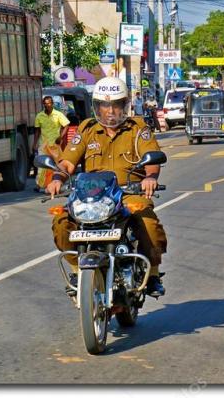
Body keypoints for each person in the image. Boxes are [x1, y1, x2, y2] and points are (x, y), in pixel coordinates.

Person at [46, 77, 168, 297]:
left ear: (124, 105)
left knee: (148, 223)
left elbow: (151, 161)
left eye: (116, 105)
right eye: (105, 105)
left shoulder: (138, 129)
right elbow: (67, 162)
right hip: (91, 196)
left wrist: (149, 178)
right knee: (62, 221)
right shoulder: (87, 129)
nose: (110, 111)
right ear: (97, 107)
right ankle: (77, 270)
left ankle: (153, 274)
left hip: (128, 193)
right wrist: (57, 179)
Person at [33, 96, 70, 191]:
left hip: (55, 145)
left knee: (57, 165)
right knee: (42, 166)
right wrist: (34, 143)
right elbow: (37, 131)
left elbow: (66, 125)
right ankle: (39, 185)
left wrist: (60, 137)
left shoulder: (58, 114)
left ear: (52, 103)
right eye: (45, 103)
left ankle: (59, 183)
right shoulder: (39, 116)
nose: (47, 105)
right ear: (43, 104)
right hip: (44, 145)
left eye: (49, 103)